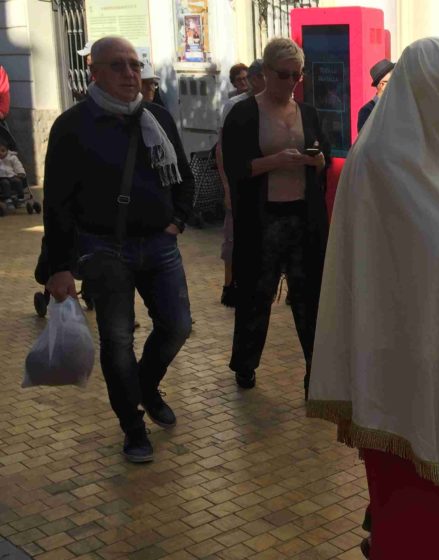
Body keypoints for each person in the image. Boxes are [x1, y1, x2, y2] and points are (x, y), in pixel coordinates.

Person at [306, 37, 439, 560]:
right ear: (427, 89)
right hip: (397, 361)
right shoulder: (376, 161)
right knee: (412, 500)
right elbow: (370, 274)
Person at [43, 36, 195, 463]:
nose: (130, 74)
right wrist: (59, 267)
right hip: (102, 248)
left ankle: (144, 385)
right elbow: (57, 203)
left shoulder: (157, 117)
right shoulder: (73, 126)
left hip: (159, 243)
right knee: (117, 340)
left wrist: (177, 220)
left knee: (178, 326)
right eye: (117, 66)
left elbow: (183, 177)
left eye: (134, 65)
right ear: (94, 72)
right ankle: (133, 426)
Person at [221, 38, 328, 394]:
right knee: (257, 295)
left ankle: (316, 369)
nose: (291, 82)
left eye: (298, 75)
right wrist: (275, 161)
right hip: (262, 218)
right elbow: (235, 167)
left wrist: (317, 160)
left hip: (303, 217)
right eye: (284, 75)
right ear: (265, 72)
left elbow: (323, 155)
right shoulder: (243, 114)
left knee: (309, 297)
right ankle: (245, 364)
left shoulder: (307, 112)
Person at [217, 59, 266, 307]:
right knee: (233, 237)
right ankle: (230, 285)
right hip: (239, 183)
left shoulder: (274, 106)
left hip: (263, 186)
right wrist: (227, 187)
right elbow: (222, 149)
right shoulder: (234, 106)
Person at [356, 59, 393, 133]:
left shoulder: (395, 105)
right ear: (382, 85)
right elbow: (365, 138)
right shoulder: (367, 111)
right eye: (392, 80)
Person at [0, 143, 26, 208]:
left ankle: (20, 198)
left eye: (3, 151)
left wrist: (20, 173)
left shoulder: (12, 157)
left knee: (18, 181)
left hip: (12, 175)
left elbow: (17, 166)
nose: (0, 153)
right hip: (1, 177)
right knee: (5, 183)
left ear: (7, 151)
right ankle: (7, 199)